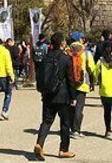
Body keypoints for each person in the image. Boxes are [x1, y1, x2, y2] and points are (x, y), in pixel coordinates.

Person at [34, 31, 77, 161]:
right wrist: (73, 96)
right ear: (62, 43)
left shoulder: (46, 58)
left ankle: (39, 143)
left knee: (46, 121)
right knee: (65, 123)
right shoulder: (66, 58)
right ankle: (64, 149)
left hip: (47, 94)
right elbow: (70, 79)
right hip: (62, 95)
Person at [69, 39, 95, 139]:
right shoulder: (86, 53)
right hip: (82, 84)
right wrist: (92, 82)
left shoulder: (67, 52)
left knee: (71, 107)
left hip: (70, 84)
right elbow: (92, 69)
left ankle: (71, 128)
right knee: (79, 108)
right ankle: (76, 130)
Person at [0, 38, 15, 121]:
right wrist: (11, 76)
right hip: (3, 76)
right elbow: (8, 65)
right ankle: (4, 110)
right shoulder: (5, 52)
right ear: (3, 44)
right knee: (8, 93)